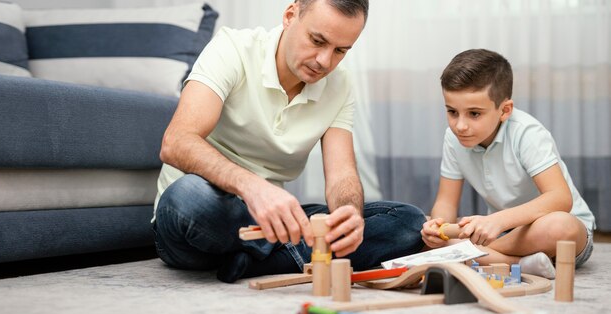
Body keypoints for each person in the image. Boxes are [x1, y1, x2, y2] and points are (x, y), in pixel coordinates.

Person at [153, 0, 425, 283]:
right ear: (290, 15)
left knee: (407, 222)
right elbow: (176, 141)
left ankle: (254, 262)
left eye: (340, 50)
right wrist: (253, 188)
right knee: (189, 198)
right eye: (317, 40)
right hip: (207, 215)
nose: (325, 61)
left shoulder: (340, 84)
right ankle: (288, 255)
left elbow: (341, 174)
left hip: (274, 223)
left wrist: (348, 216)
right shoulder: (233, 48)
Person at [421, 49, 595, 279]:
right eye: (452, 112)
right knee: (423, 226)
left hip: (553, 232)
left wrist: (497, 221)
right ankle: (519, 263)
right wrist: (438, 226)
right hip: (504, 235)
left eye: (474, 114)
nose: (460, 125)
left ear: (505, 110)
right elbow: (445, 202)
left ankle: (469, 255)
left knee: (560, 226)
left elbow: (560, 198)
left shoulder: (527, 132)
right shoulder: (453, 138)